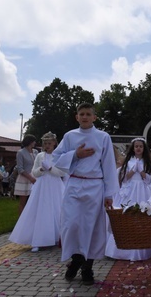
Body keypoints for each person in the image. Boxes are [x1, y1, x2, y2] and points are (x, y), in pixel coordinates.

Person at [52, 103, 119, 285]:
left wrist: (109, 194)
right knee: (71, 224)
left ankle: (87, 267)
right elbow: (55, 158)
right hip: (74, 183)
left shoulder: (103, 137)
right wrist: (76, 155)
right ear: (77, 117)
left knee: (90, 227)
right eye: (81, 114)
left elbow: (108, 166)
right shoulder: (69, 136)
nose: (85, 117)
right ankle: (76, 259)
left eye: (88, 114)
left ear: (94, 117)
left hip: (95, 186)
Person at [9, 131, 66, 252]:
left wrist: (50, 168)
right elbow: (34, 172)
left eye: (49, 143)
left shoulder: (59, 155)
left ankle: (57, 236)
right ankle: (38, 239)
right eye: (45, 143)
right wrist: (40, 169)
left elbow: (62, 172)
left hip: (55, 185)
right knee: (41, 209)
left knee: (57, 209)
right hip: (42, 185)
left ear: (55, 143)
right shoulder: (40, 156)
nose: (47, 146)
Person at [105, 137, 151, 261]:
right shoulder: (128, 161)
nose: (138, 148)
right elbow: (124, 178)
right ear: (133, 148)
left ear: (143, 148)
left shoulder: (147, 161)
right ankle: (121, 249)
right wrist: (133, 169)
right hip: (129, 190)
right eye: (136, 146)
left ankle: (142, 248)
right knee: (125, 216)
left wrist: (141, 171)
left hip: (143, 190)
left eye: (140, 146)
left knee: (142, 216)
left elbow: (149, 180)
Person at [15, 135, 38, 215]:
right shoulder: (20, 152)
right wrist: (30, 178)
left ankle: (31, 218)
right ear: (30, 142)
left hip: (34, 177)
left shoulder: (35, 152)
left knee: (33, 200)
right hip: (25, 178)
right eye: (34, 141)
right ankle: (20, 221)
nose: (35, 143)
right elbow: (20, 168)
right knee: (23, 201)